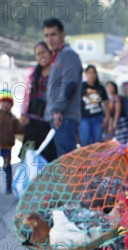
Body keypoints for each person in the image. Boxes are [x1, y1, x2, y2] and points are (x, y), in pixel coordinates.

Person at [43, 18, 82, 157]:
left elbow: (70, 84)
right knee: (62, 164)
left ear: (62, 34)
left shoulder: (68, 55)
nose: (50, 39)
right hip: (58, 118)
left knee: (66, 164)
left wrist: (58, 109)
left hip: (64, 118)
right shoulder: (57, 56)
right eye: (46, 35)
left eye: (53, 34)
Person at [20, 41, 57, 162]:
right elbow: (26, 95)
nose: (41, 56)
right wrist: (23, 114)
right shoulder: (32, 74)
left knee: (48, 160)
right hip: (32, 122)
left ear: (50, 52)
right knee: (28, 159)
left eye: (43, 52)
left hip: (49, 124)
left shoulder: (57, 71)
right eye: (38, 54)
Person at [80, 65, 109, 146]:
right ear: (86, 74)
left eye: (93, 73)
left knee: (97, 143)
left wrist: (107, 117)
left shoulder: (101, 88)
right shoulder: (81, 87)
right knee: (85, 142)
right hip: (84, 118)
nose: (91, 75)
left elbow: (106, 103)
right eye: (89, 73)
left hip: (98, 118)